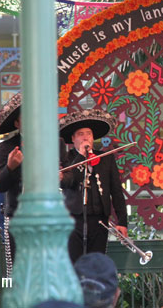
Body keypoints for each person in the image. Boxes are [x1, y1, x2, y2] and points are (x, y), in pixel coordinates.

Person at [59, 109, 128, 262]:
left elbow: (116, 191)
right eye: (80, 134)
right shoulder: (67, 159)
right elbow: (67, 181)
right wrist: (81, 157)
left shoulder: (106, 158)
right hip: (72, 220)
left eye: (88, 133)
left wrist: (122, 221)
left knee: (96, 262)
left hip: (99, 219)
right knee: (74, 263)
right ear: (73, 138)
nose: (85, 137)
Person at [0, 92, 22, 259]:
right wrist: (10, 167)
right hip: (17, 214)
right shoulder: (6, 147)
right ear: (17, 123)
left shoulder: (55, 143)